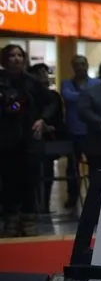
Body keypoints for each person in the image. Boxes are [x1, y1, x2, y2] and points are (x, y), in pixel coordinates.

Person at [0, 44, 55, 234]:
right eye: (11, 55)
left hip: (30, 137)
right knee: (8, 180)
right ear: (4, 60)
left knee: (30, 180)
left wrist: (42, 119)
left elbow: (51, 102)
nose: (16, 59)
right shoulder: (1, 81)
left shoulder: (32, 81)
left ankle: (28, 218)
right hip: (6, 138)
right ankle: (11, 218)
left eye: (19, 55)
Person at [60, 55, 99, 208]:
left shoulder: (96, 82)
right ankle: (73, 196)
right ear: (73, 66)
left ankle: (95, 197)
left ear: (87, 65)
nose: (80, 67)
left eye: (82, 64)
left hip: (91, 131)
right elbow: (68, 97)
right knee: (72, 167)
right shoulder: (67, 83)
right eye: (76, 64)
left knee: (94, 165)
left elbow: (97, 99)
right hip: (73, 130)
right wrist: (87, 95)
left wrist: (83, 96)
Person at [28, 63, 66, 214]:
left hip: (49, 139)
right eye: (39, 72)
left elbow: (59, 118)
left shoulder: (54, 96)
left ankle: (45, 205)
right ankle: (34, 206)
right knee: (33, 174)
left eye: (44, 71)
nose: (43, 74)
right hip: (31, 139)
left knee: (48, 173)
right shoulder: (29, 95)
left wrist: (50, 127)